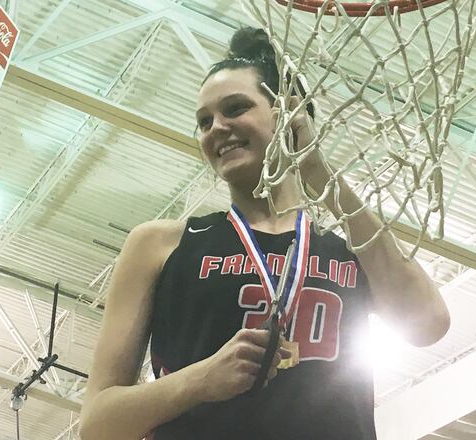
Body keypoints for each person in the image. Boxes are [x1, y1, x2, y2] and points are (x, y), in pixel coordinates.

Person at [80, 27, 450, 440]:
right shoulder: (161, 244)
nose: (216, 127)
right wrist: (199, 379)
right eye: (204, 121)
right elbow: (97, 423)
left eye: (235, 108)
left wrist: (317, 169)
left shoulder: (350, 247)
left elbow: (428, 324)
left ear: (289, 113)